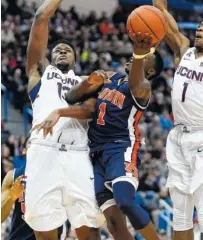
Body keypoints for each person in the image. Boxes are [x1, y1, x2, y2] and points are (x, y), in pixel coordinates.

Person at [32, 33, 164, 240]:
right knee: (112, 219)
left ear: (149, 70)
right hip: (94, 153)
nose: (133, 58)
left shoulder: (144, 87)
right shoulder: (110, 77)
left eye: (142, 58)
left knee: (126, 202)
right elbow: (70, 97)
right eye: (134, 55)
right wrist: (88, 84)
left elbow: (137, 82)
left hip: (120, 149)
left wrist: (140, 53)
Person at [144, 0, 203, 239]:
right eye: (200, 25)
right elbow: (159, 13)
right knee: (180, 214)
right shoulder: (183, 51)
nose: (200, 29)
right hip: (178, 137)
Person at [25, 0, 104, 240]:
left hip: (77, 153)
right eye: (56, 48)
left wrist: (60, 112)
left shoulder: (85, 81)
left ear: (75, 58)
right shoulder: (39, 73)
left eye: (67, 49)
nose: (61, 50)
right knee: (44, 229)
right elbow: (40, 18)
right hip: (43, 151)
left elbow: (91, 110)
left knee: (88, 229)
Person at [1, 138, 65, 240]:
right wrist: (11, 196)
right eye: (32, 143)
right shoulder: (12, 176)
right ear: (24, 150)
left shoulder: (59, 177)